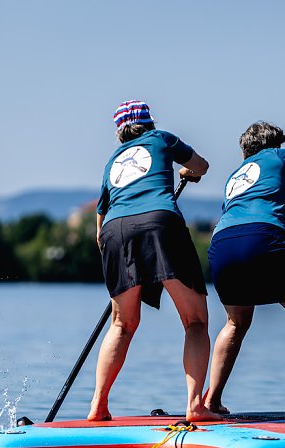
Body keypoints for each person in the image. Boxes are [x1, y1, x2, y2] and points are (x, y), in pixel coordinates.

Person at [89, 100, 220, 422]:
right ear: (148, 122)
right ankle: (195, 405)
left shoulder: (112, 161)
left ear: (120, 133)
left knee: (121, 324)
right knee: (195, 322)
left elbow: (99, 223)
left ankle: (98, 406)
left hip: (113, 231)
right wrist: (189, 172)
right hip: (159, 222)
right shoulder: (162, 139)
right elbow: (201, 165)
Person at [204, 122, 285, 415]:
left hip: (222, 242)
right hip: (263, 236)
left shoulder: (234, 176)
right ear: (274, 145)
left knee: (235, 323)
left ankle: (211, 401)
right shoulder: (276, 155)